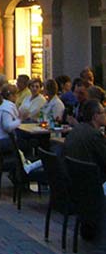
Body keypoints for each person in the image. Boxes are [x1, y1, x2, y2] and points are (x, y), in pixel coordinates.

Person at [63, 99, 106, 247]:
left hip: (75, 186)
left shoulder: (76, 131)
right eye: (103, 112)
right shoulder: (94, 136)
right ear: (95, 116)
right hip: (92, 189)